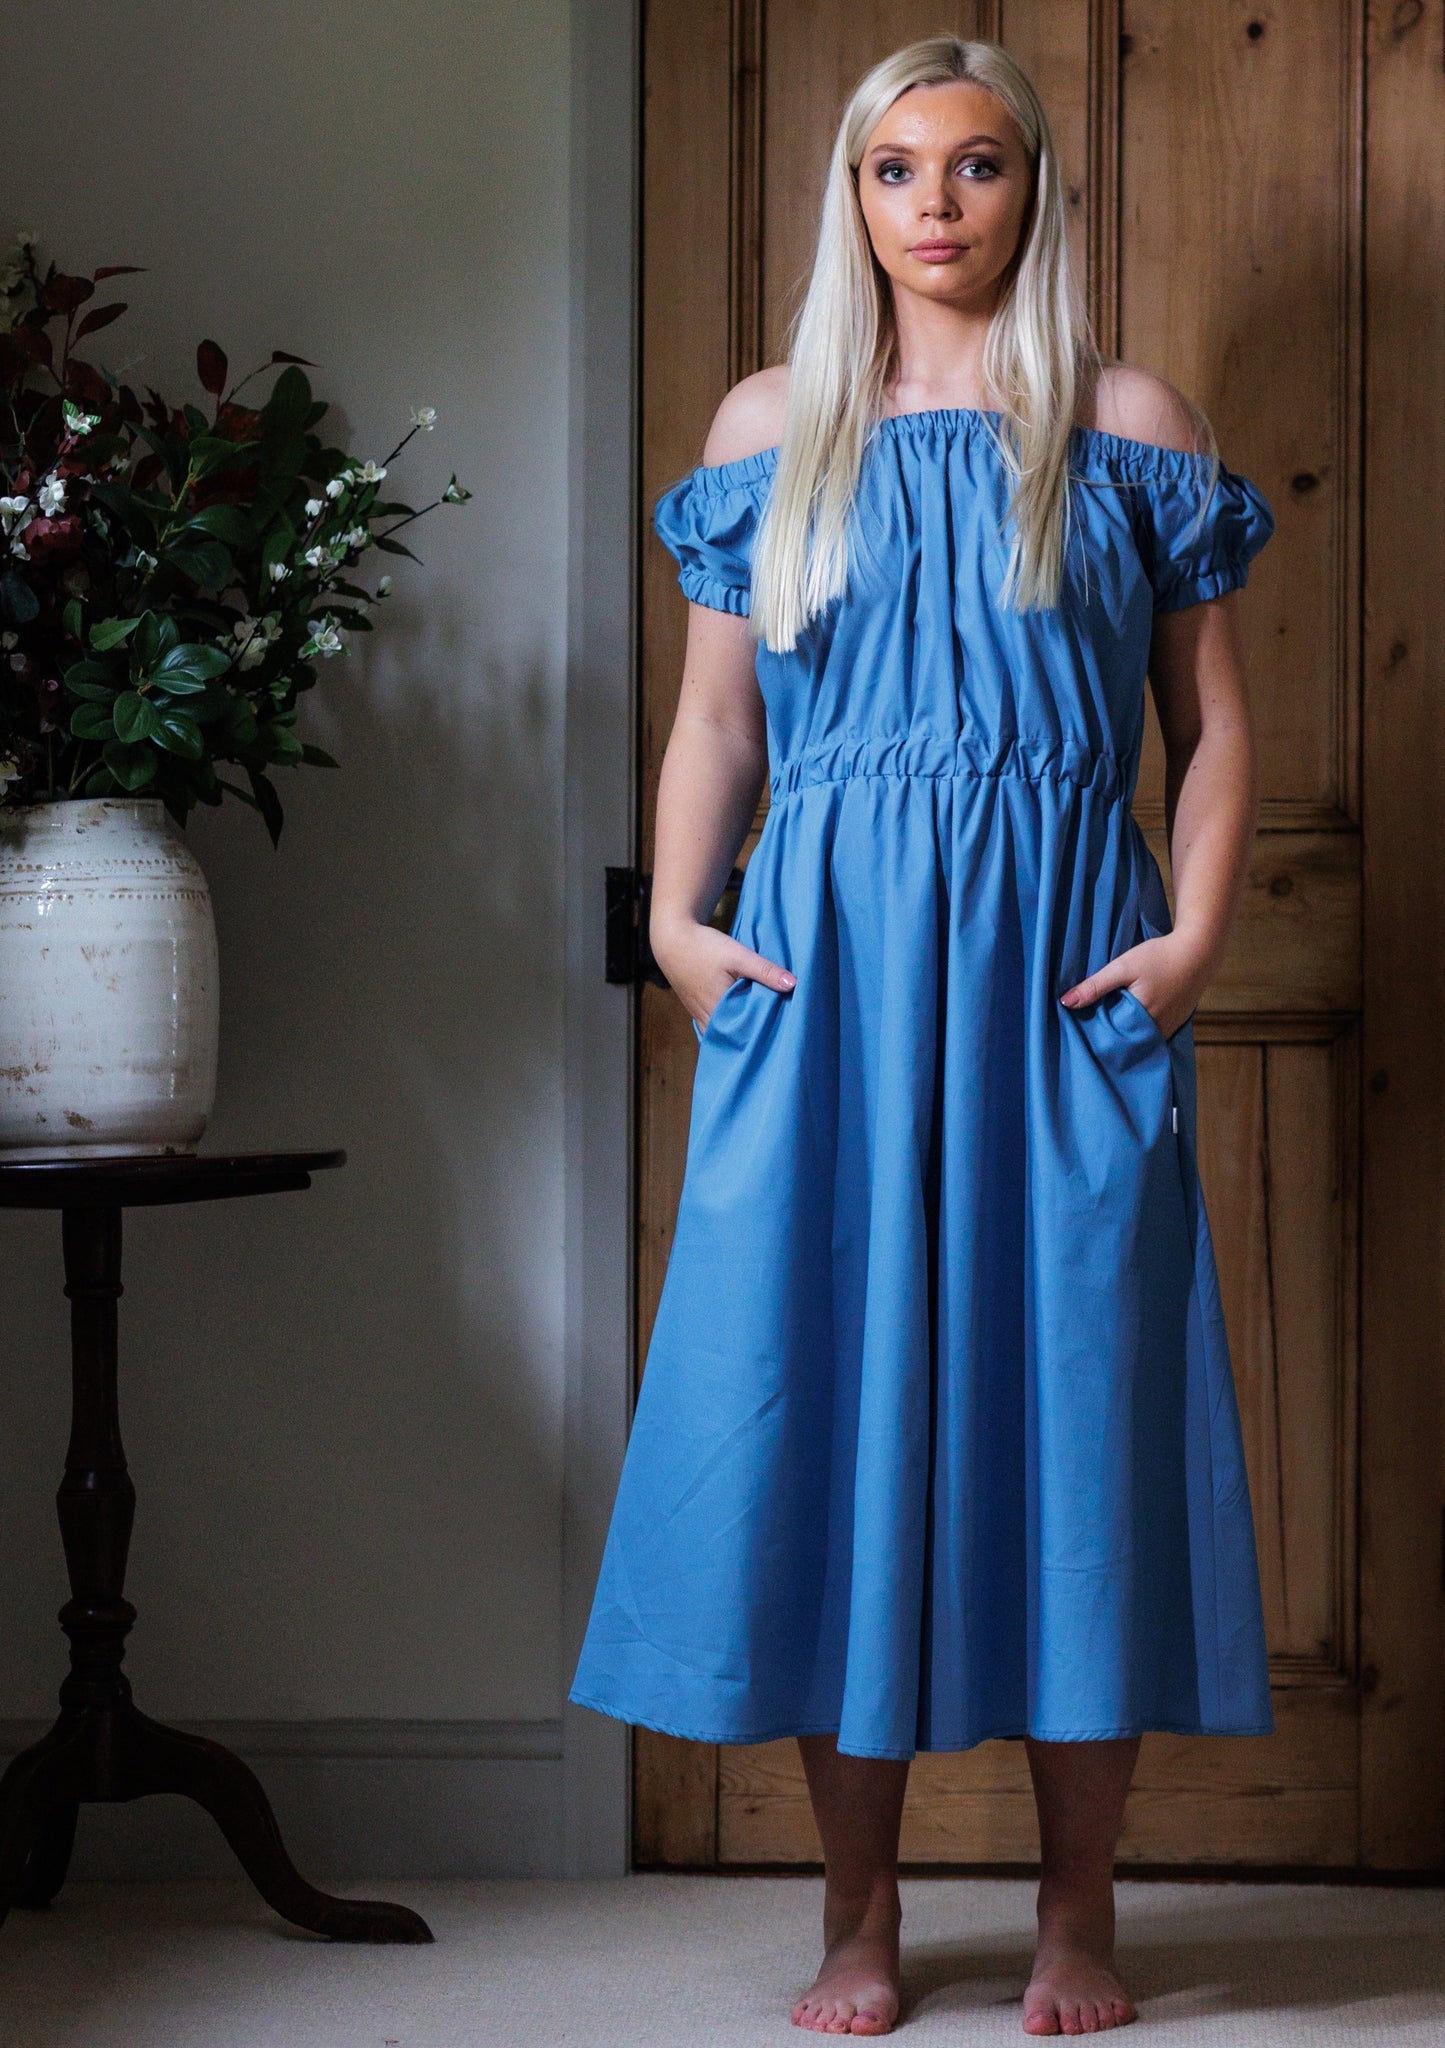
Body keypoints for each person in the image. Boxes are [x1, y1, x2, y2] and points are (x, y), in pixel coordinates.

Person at [570, 32, 1275, 2039]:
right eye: (899, 171)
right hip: (827, 984)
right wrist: (684, 934)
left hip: (1066, 980)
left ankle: (1077, 1909)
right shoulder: (776, 423)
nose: (939, 208)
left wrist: (1195, 936)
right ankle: (858, 1912)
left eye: (976, 168)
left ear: (1031, 191)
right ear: (852, 199)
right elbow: (714, 721)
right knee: (825, 1418)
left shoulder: (1123, 423)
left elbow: (1214, 728)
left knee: (1074, 1430)